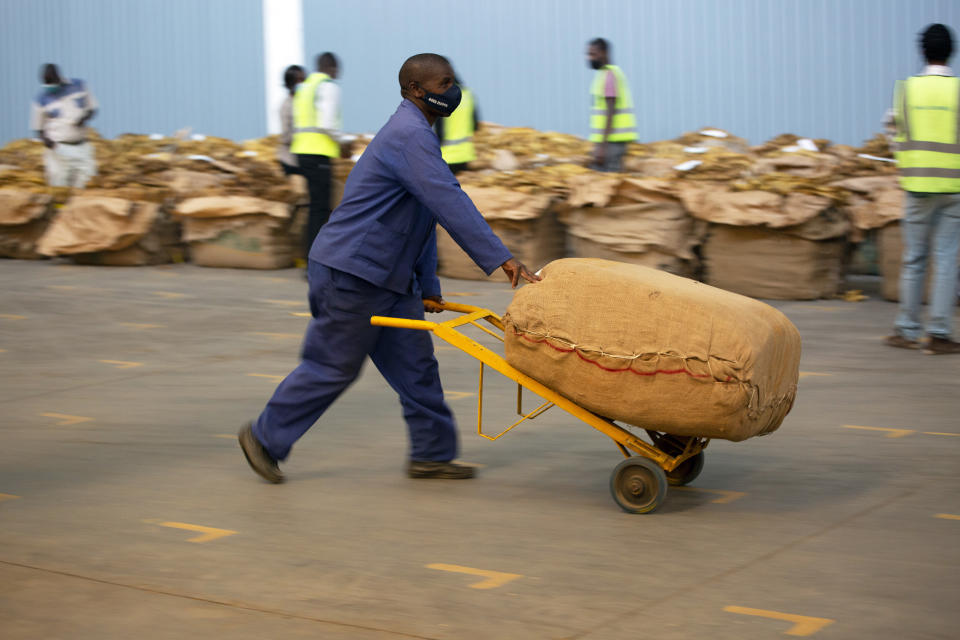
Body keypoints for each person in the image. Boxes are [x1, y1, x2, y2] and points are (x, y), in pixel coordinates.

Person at [238, 53, 541, 483]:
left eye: (452, 82)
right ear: (416, 90)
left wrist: (428, 285)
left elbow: (422, 216)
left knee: (416, 368)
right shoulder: (407, 135)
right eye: (443, 84)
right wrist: (502, 258)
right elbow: (448, 199)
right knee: (332, 366)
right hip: (352, 273)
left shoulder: (417, 135)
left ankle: (431, 455)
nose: (451, 92)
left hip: (390, 277)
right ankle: (264, 438)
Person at [885, 24, 960, 355]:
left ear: (923, 52)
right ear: (951, 51)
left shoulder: (906, 91)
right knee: (946, 260)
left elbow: (892, 131)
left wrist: (906, 158)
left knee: (914, 258)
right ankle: (940, 334)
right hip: (953, 186)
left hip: (916, 185)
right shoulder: (958, 91)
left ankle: (906, 330)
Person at [291, 52, 350, 259]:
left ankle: (311, 258)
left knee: (314, 207)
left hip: (302, 153)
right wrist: (343, 142)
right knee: (320, 209)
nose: (337, 74)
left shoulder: (305, 87)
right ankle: (315, 261)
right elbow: (327, 124)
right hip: (318, 154)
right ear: (331, 67)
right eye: (336, 69)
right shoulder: (328, 87)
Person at [30, 63, 98, 188]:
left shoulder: (79, 86)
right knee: (59, 186)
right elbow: (38, 129)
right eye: (46, 83)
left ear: (59, 78)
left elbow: (92, 109)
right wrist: (50, 144)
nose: (50, 86)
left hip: (81, 145)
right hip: (59, 147)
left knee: (85, 183)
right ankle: (59, 206)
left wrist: (84, 117)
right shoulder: (41, 99)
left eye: (52, 82)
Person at [586, 38, 637, 172]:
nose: (589, 58)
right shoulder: (604, 74)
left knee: (609, 182)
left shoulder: (609, 75)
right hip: (609, 142)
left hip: (612, 143)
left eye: (592, 54)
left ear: (603, 53)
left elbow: (610, 111)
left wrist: (602, 146)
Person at [435, 66, 479, 174]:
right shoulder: (468, 94)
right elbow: (475, 126)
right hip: (466, 154)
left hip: (448, 157)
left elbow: (440, 131)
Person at [277, 64, 306, 176]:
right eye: (299, 80)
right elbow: (286, 136)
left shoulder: (305, 103)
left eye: (304, 79)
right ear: (290, 84)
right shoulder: (286, 106)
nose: (302, 84)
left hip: (304, 159)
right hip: (291, 161)